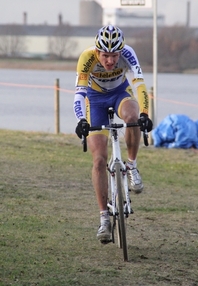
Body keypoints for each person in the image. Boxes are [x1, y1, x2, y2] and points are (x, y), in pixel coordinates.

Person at [73, 25, 152, 242]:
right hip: (95, 100)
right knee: (99, 160)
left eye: (114, 55)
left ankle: (132, 166)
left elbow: (140, 85)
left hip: (120, 93)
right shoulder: (86, 58)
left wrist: (145, 113)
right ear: (97, 52)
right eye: (105, 55)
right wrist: (81, 120)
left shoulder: (128, 54)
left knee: (133, 119)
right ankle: (104, 219)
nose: (110, 61)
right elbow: (79, 94)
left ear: (121, 51)